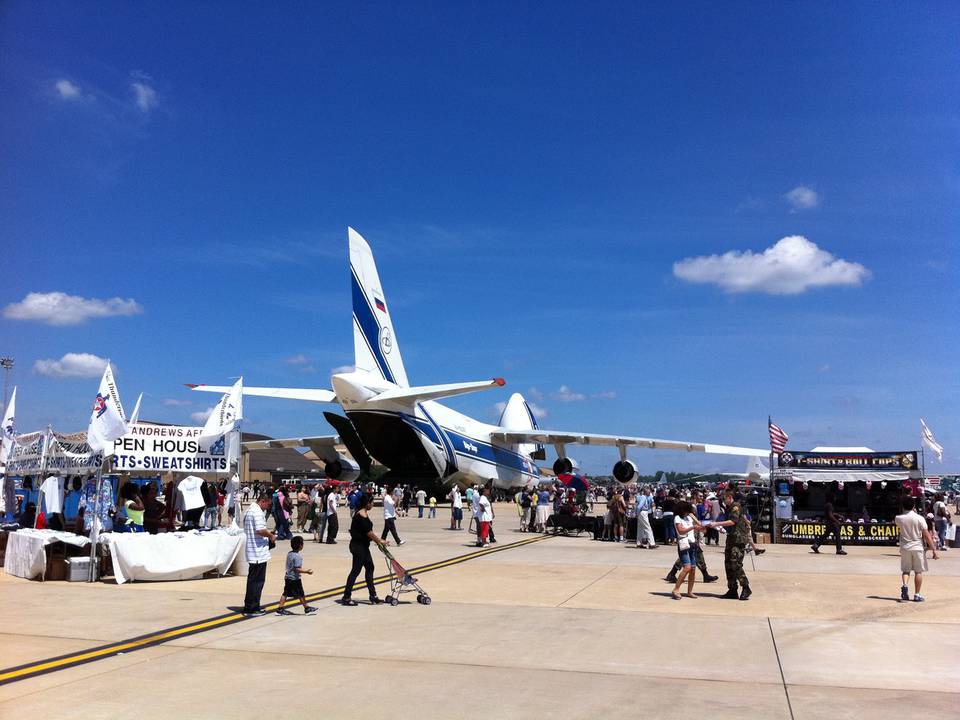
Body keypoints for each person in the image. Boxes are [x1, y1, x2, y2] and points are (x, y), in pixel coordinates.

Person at [340, 493, 387, 606]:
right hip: (358, 546)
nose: (373, 504)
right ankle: (346, 597)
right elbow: (369, 533)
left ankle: (373, 595)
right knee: (355, 571)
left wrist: (379, 541)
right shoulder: (361, 515)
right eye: (372, 502)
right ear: (367, 503)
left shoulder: (363, 513)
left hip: (363, 546)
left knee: (370, 567)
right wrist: (380, 541)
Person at [895, 496, 939, 602]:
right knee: (918, 571)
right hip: (917, 546)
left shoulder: (898, 518)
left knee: (906, 570)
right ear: (914, 506)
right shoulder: (920, 518)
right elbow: (926, 535)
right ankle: (917, 594)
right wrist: (934, 549)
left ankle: (905, 585)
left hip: (905, 546)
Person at [712, 490, 752, 600]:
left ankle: (746, 587)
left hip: (738, 539)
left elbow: (733, 521)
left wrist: (717, 524)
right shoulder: (729, 508)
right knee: (728, 564)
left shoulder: (735, 506)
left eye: (724, 498)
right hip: (731, 538)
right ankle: (732, 589)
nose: (723, 501)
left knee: (736, 563)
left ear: (729, 497)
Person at [243, 492, 277, 616]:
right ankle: (252, 607)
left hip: (253, 551)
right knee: (257, 582)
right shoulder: (257, 512)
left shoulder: (249, 510)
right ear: (263, 501)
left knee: (252, 581)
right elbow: (260, 530)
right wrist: (271, 536)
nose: (267, 507)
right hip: (258, 553)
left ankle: (249, 605)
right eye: (267, 504)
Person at [671, 502, 708, 599]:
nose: (689, 513)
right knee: (687, 567)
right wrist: (692, 527)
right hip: (684, 544)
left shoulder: (689, 518)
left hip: (692, 544)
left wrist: (699, 524)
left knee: (693, 568)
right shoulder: (677, 518)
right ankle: (676, 589)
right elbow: (680, 531)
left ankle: (690, 591)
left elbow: (700, 528)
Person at [276, 536, 317, 615]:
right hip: (294, 579)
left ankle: (280, 609)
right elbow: (296, 569)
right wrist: (307, 571)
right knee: (300, 594)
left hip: (288, 577)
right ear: (301, 546)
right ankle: (307, 608)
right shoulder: (298, 556)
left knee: (285, 593)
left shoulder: (289, 553)